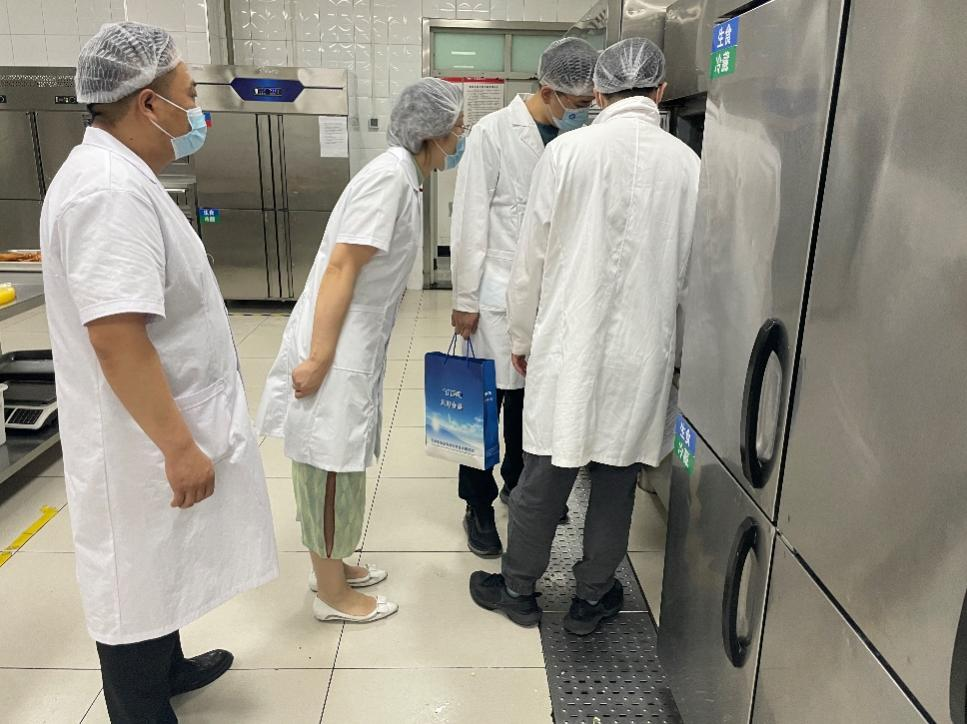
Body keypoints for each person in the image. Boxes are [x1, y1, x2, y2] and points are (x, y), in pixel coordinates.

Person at [40, 22, 279, 723]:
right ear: (148, 104)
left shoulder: (121, 176)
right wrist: (177, 447)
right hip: (138, 437)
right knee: (133, 578)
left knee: (158, 565)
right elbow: (117, 338)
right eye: (190, 96)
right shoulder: (106, 193)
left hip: (154, 418)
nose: (196, 111)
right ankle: (140, 707)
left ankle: (168, 666)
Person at [469, 37, 700, 635]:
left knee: (546, 472)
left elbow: (531, 262)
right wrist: (680, 357)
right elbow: (691, 276)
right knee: (617, 480)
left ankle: (519, 589)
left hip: (569, 343)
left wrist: (521, 338)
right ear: (660, 91)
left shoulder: (567, 153)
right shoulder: (689, 166)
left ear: (597, 92)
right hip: (643, 352)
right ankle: (592, 597)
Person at [257, 78, 466, 624]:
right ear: (432, 133)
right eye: (457, 128)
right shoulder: (391, 179)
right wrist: (319, 358)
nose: (461, 136)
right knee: (329, 464)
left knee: (342, 460)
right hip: (337, 342)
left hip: (354, 339)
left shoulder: (405, 176)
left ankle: (334, 567)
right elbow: (342, 266)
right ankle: (332, 595)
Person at [449, 37, 599, 557]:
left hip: (549, 296)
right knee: (483, 408)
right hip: (493, 295)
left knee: (530, 405)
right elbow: (469, 218)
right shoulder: (493, 133)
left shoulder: (579, 140)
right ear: (549, 90)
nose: (583, 113)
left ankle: (520, 487)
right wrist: (465, 298)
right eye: (578, 104)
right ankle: (477, 505)